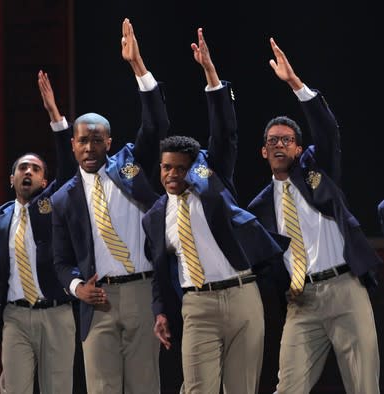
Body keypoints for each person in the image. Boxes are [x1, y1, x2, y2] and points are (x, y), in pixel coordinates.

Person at [141, 28, 283, 394]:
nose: (172, 174)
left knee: (242, 388)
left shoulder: (213, 180)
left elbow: (225, 132)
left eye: (180, 167)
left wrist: (211, 75)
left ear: (194, 166)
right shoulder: (155, 215)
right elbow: (159, 270)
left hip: (242, 296)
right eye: (165, 167)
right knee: (197, 389)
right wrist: (159, 310)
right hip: (197, 306)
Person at [247, 37, 382, 394]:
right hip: (301, 301)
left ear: (300, 149)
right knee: (287, 388)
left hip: (344, 289)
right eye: (272, 141)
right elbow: (263, 262)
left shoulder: (317, 172)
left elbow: (327, 130)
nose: (279, 144)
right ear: (262, 151)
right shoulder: (258, 208)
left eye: (287, 140)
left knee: (364, 386)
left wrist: (295, 83)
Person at [50, 18, 170, 394]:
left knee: (145, 386)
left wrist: (138, 67)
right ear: (73, 145)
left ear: (110, 142)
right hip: (96, 299)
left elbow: (156, 126)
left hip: (141, 290)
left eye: (97, 140)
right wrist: (74, 288)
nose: (90, 148)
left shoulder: (130, 165)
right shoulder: (62, 198)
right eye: (83, 141)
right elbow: (60, 259)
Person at [0, 70, 78, 394]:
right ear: (12, 179)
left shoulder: (51, 204)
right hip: (16, 316)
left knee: (58, 389)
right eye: (23, 167)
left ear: (44, 182)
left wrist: (54, 115)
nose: (28, 172)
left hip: (56, 313)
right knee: (15, 389)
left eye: (35, 169)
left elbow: (67, 168)